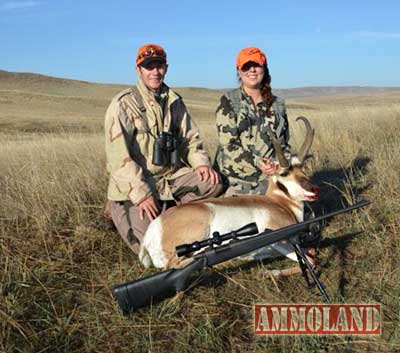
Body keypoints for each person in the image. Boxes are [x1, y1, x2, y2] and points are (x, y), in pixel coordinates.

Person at [105, 44, 222, 254]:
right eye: (149, 67)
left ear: (166, 68)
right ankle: (117, 212)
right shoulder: (123, 104)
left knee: (212, 182)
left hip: (169, 180)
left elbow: (190, 138)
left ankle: (173, 214)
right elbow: (118, 159)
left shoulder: (174, 101)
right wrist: (141, 195)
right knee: (152, 249)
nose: (155, 72)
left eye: (159, 66)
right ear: (138, 70)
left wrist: (201, 163)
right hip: (136, 187)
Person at [215, 47, 291, 197]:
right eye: (246, 67)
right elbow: (229, 146)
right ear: (239, 71)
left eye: (256, 65)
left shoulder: (278, 104)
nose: (252, 71)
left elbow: (284, 146)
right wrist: (258, 163)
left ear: (264, 69)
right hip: (237, 180)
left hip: (271, 178)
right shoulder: (229, 102)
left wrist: (277, 165)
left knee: (305, 215)